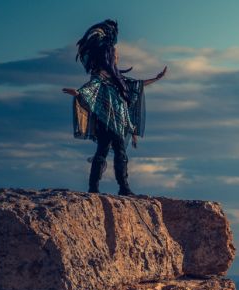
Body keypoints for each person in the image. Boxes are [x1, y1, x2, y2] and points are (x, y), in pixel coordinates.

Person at [62, 20, 167, 195]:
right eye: (115, 55)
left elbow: (136, 85)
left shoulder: (118, 80)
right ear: (110, 57)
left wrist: (156, 79)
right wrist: (78, 93)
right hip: (105, 121)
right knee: (103, 152)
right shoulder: (101, 78)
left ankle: (123, 187)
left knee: (119, 153)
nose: (118, 56)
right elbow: (90, 89)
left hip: (119, 123)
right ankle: (95, 187)